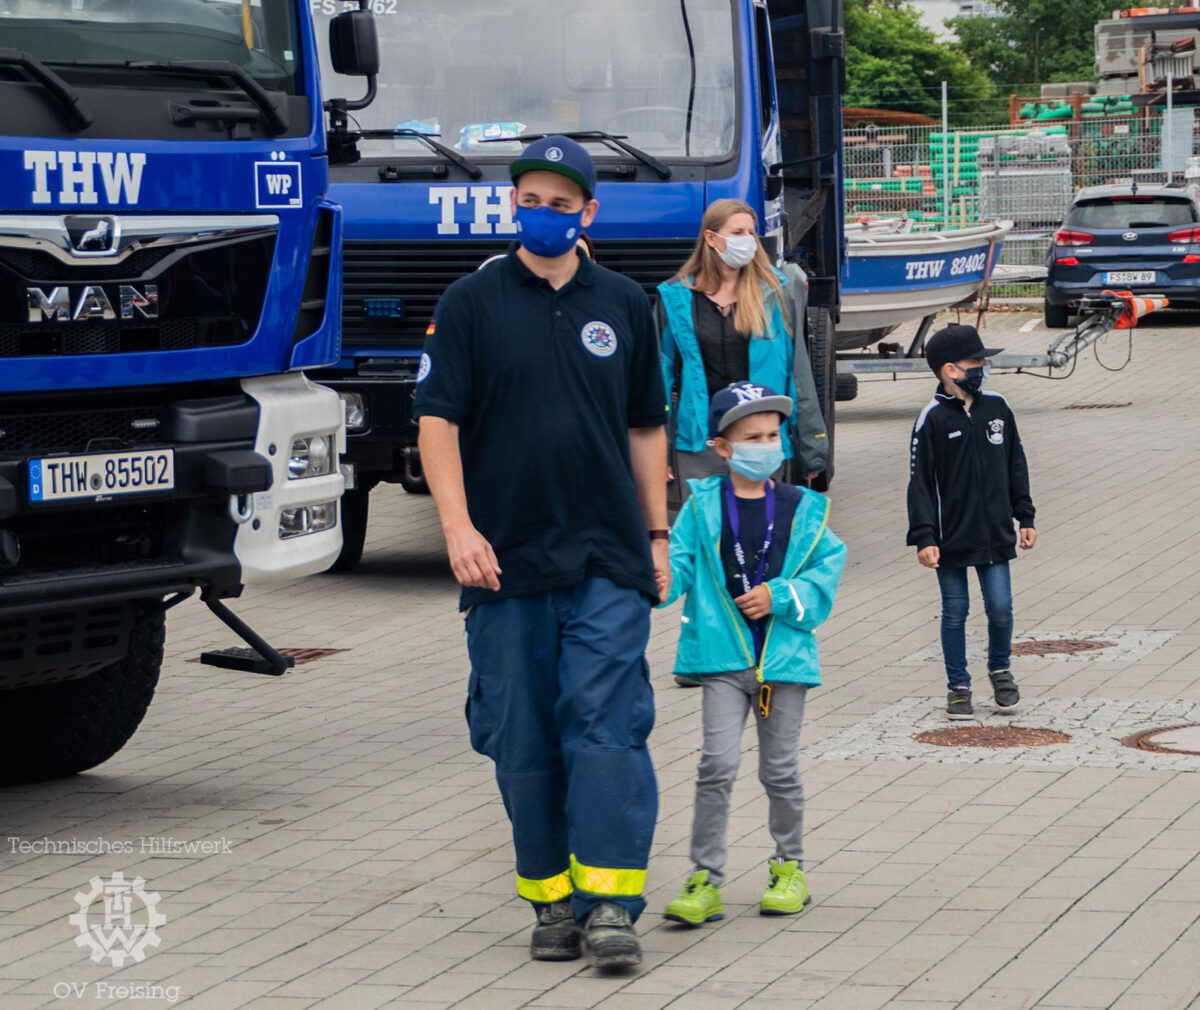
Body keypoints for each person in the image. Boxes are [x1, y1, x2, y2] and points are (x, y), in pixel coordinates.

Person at [413, 136, 669, 970]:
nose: (545, 214)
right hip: (505, 559)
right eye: (532, 199)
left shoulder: (627, 304)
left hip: (606, 556)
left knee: (605, 729)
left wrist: (657, 535)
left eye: (564, 204)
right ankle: (551, 903)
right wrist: (457, 527)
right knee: (521, 737)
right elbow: (437, 420)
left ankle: (611, 908)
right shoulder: (470, 303)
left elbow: (644, 426)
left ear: (588, 213)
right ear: (511, 204)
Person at [657, 381, 846, 926]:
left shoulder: (803, 508)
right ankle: (705, 879)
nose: (766, 445)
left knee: (780, 771)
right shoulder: (701, 507)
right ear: (722, 447)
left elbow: (825, 572)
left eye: (772, 434)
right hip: (721, 661)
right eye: (752, 437)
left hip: (781, 664)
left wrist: (782, 596)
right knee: (715, 764)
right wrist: (650, 577)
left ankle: (790, 867)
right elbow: (679, 566)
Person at [906, 324, 1038, 721]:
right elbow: (921, 485)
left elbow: (1016, 463)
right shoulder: (930, 419)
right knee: (955, 611)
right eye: (976, 361)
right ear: (951, 370)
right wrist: (924, 536)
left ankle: (1000, 669)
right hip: (950, 537)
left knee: (1000, 606)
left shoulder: (998, 407)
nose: (984, 367)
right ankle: (958, 687)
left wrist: (1024, 514)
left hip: (995, 531)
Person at [658, 199, 827, 502]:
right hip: (699, 447)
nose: (748, 240)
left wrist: (812, 447)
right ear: (711, 238)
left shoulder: (776, 293)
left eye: (751, 232)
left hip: (761, 446)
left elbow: (797, 372)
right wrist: (660, 450)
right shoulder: (676, 298)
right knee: (706, 541)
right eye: (738, 232)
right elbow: (659, 378)